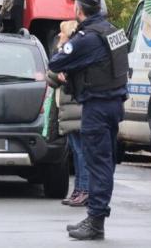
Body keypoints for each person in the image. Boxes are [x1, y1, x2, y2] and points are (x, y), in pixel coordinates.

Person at [48, 0, 129, 241]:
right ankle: (95, 218)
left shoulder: (88, 38)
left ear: (79, 9)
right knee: (103, 162)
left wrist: (66, 44)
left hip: (97, 104)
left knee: (98, 163)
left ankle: (95, 221)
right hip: (114, 103)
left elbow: (56, 62)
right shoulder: (114, 32)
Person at [47, 20, 89, 207]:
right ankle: (79, 190)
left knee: (81, 153)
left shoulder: (72, 54)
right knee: (76, 151)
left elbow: (57, 76)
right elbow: (51, 75)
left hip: (75, 111)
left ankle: (83, 190)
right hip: (67, 111)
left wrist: (60, 76)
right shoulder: (63, 54)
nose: (59, 36)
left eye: (61, 33)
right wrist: (57, 76)